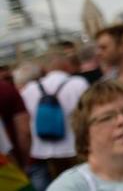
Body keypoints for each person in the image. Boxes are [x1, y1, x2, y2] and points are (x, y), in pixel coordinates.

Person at [20, 51, 89, 189]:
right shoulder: (78, 83)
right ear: (66, 65)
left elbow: (25, 125)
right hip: (75, 146)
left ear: (45, 68)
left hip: (44, 149)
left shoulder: (30, 89)